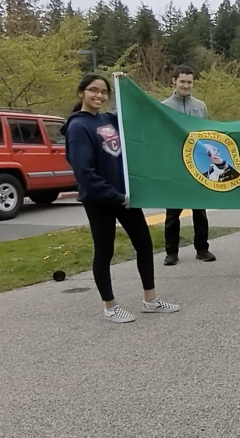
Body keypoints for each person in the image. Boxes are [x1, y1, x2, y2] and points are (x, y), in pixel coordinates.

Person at [61, 73, 179, 323]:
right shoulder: (77, 126)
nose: (99, 96)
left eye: (104, 92)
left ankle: (150, 299)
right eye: (93, 90)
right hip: (100, 199)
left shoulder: (106, 119)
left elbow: (134, 112)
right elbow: (84, 172)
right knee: (104, 252)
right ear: (81, 92)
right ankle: (110, 306)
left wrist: (125, 85)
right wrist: (113, 195)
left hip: (124, 197)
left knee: (144, 245)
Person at [160, 65, 216, 266]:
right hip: (175, 166)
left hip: (198, 165)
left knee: (199, 210)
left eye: (189, 82)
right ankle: (171, 252)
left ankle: (202, 248)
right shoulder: (163, 106)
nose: (186, 85)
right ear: (173, 81)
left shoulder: (200, 107)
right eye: (182, 81)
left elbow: (208, 133)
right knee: (172, 211)